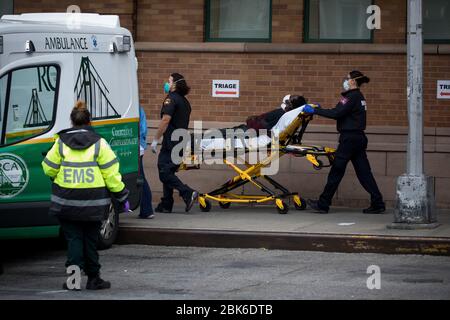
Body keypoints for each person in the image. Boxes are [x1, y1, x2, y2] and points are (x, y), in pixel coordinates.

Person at [42, 100, 129, 290]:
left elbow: (48, 169)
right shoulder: (100, 144)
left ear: (72, 122)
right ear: (89, 122)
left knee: (73, 240)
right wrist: (122, 196)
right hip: (94, 203)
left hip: (66, 202)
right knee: (90, 241)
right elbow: (111, 174)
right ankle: (93, 279)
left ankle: (73, 281)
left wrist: (60, 175)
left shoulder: (60, 143)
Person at [303, 70, 385, 214]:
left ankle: (323, 204)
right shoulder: (359, 96)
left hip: (349, 140)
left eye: (347, 79)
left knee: (336, 171)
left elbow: (336, 113)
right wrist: (320, 109)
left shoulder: (351, 97)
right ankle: (378, 202)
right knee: (364, 172)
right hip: (358, 138)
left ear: (353, 81)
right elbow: (339, 112)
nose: (345, 81)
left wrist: (315, 111)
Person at [151, 73, 198, 213]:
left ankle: (187, 193)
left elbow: (165, 120)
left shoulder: (171, 99)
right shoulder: (185, 101)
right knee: (168, 170)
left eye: (169, 81)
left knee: (164, 171)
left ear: (175, 84)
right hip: (180, 141)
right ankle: (166, 204)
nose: (167, 83)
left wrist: (155, 139)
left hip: (171, 142)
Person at [138, 106, 154, 219]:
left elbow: (141, 130)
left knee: (141, 179)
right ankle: (146, 209)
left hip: (135, 147)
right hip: (139, 147)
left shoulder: (137, 109)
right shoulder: (140, 109)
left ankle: (147, 209)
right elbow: (143, 130)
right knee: (141, 178)